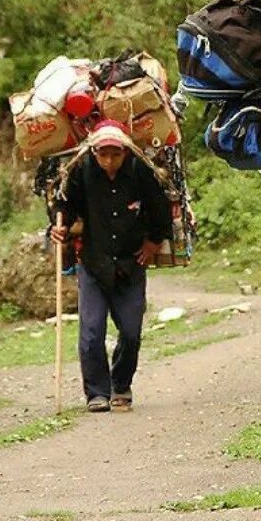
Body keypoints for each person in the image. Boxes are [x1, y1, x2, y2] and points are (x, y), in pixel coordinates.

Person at [50, 119, 171, 413]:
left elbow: (161, 209)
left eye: (115, 154)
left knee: (130, 332)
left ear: (125, 153)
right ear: (94, 153)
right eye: (103, 154)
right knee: (91, 333)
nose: (109, 161)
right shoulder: (82, 172)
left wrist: (154, 242)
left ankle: (121, 384)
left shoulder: (140, 172)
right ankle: (96, 393)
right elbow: (64, 205)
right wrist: (58, 228)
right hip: (93, 263)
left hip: (131, 264)